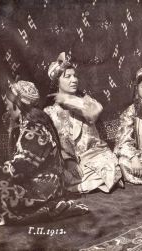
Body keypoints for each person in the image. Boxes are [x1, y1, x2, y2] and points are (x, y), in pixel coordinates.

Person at [0, 80, 88, 225]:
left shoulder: (35, 128)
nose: (6, 106)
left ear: (17, 104)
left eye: (8, 103)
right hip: (33, 182)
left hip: (42, 188)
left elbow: (20, 166)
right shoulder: (28, 124)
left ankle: (50, 209)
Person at [44, 52, 122, 193]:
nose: (74, 80)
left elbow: (95, 112)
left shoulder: (86, 101)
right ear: (57, 82)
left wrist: (67, 100)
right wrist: (68, 160)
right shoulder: (49, 112)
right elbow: (52, 143)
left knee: (112, 165)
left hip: (96, 157)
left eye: (75, 76)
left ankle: (87, 183)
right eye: (68, 77)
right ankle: (86, 182)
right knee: (57, 177)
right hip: (70, 163)